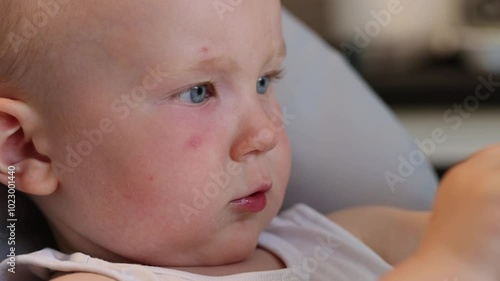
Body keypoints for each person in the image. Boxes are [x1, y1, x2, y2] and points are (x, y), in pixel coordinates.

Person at [0, 1, 499, 280]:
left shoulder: (346, 236)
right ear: (28, 149)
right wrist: (450, 266)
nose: (264, 132)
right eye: (198, 92)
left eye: (265, 81)